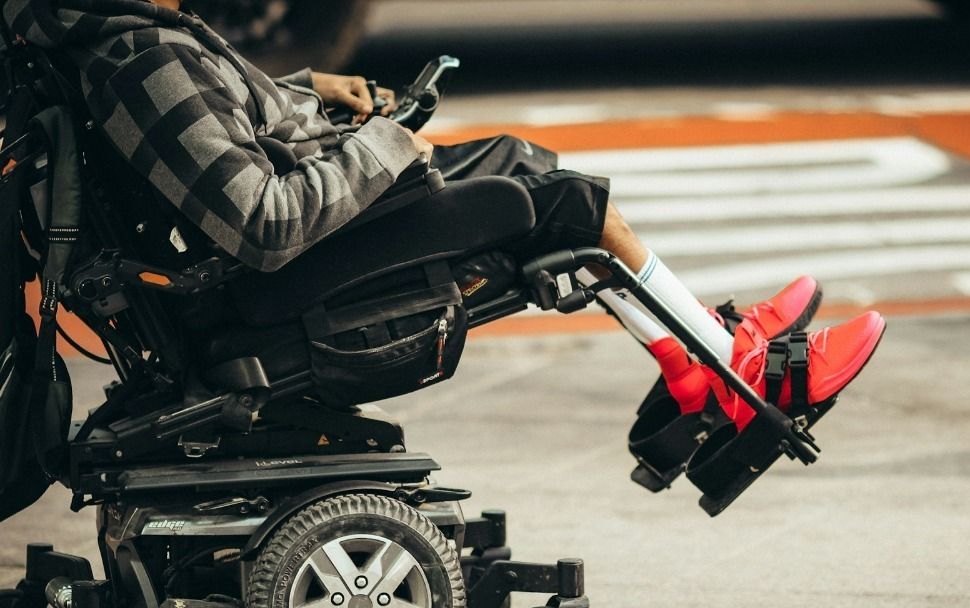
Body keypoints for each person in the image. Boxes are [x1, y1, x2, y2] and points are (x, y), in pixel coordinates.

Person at [4, 0, 884, 440]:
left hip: (270, 261)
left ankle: (700, 358)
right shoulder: (137, 55)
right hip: (273, 286)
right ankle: (740, 376)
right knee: (549, 191)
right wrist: (384, 145)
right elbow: (262, 221)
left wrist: (303, 92)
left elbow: (213, 129)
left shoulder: (124, 32)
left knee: (525, 167)